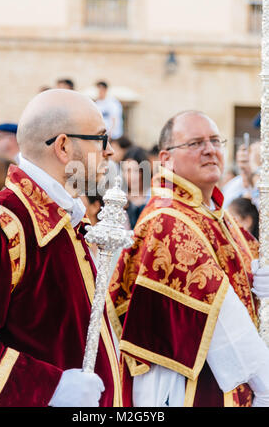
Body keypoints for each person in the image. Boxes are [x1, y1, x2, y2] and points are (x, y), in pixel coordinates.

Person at [0, 89, 122, 407]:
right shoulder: (0, 225)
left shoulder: (66, 220)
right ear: (64, 146)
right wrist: (50, 387)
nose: (109, 153)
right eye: (100, 139)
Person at [109, 110, 269, 407]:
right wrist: (265, 383)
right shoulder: (168, 219)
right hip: (195, 385)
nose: (210, 149)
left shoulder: (216, 214)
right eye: (195, 143)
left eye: (215, 140)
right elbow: (220, 309)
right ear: (166, 159)